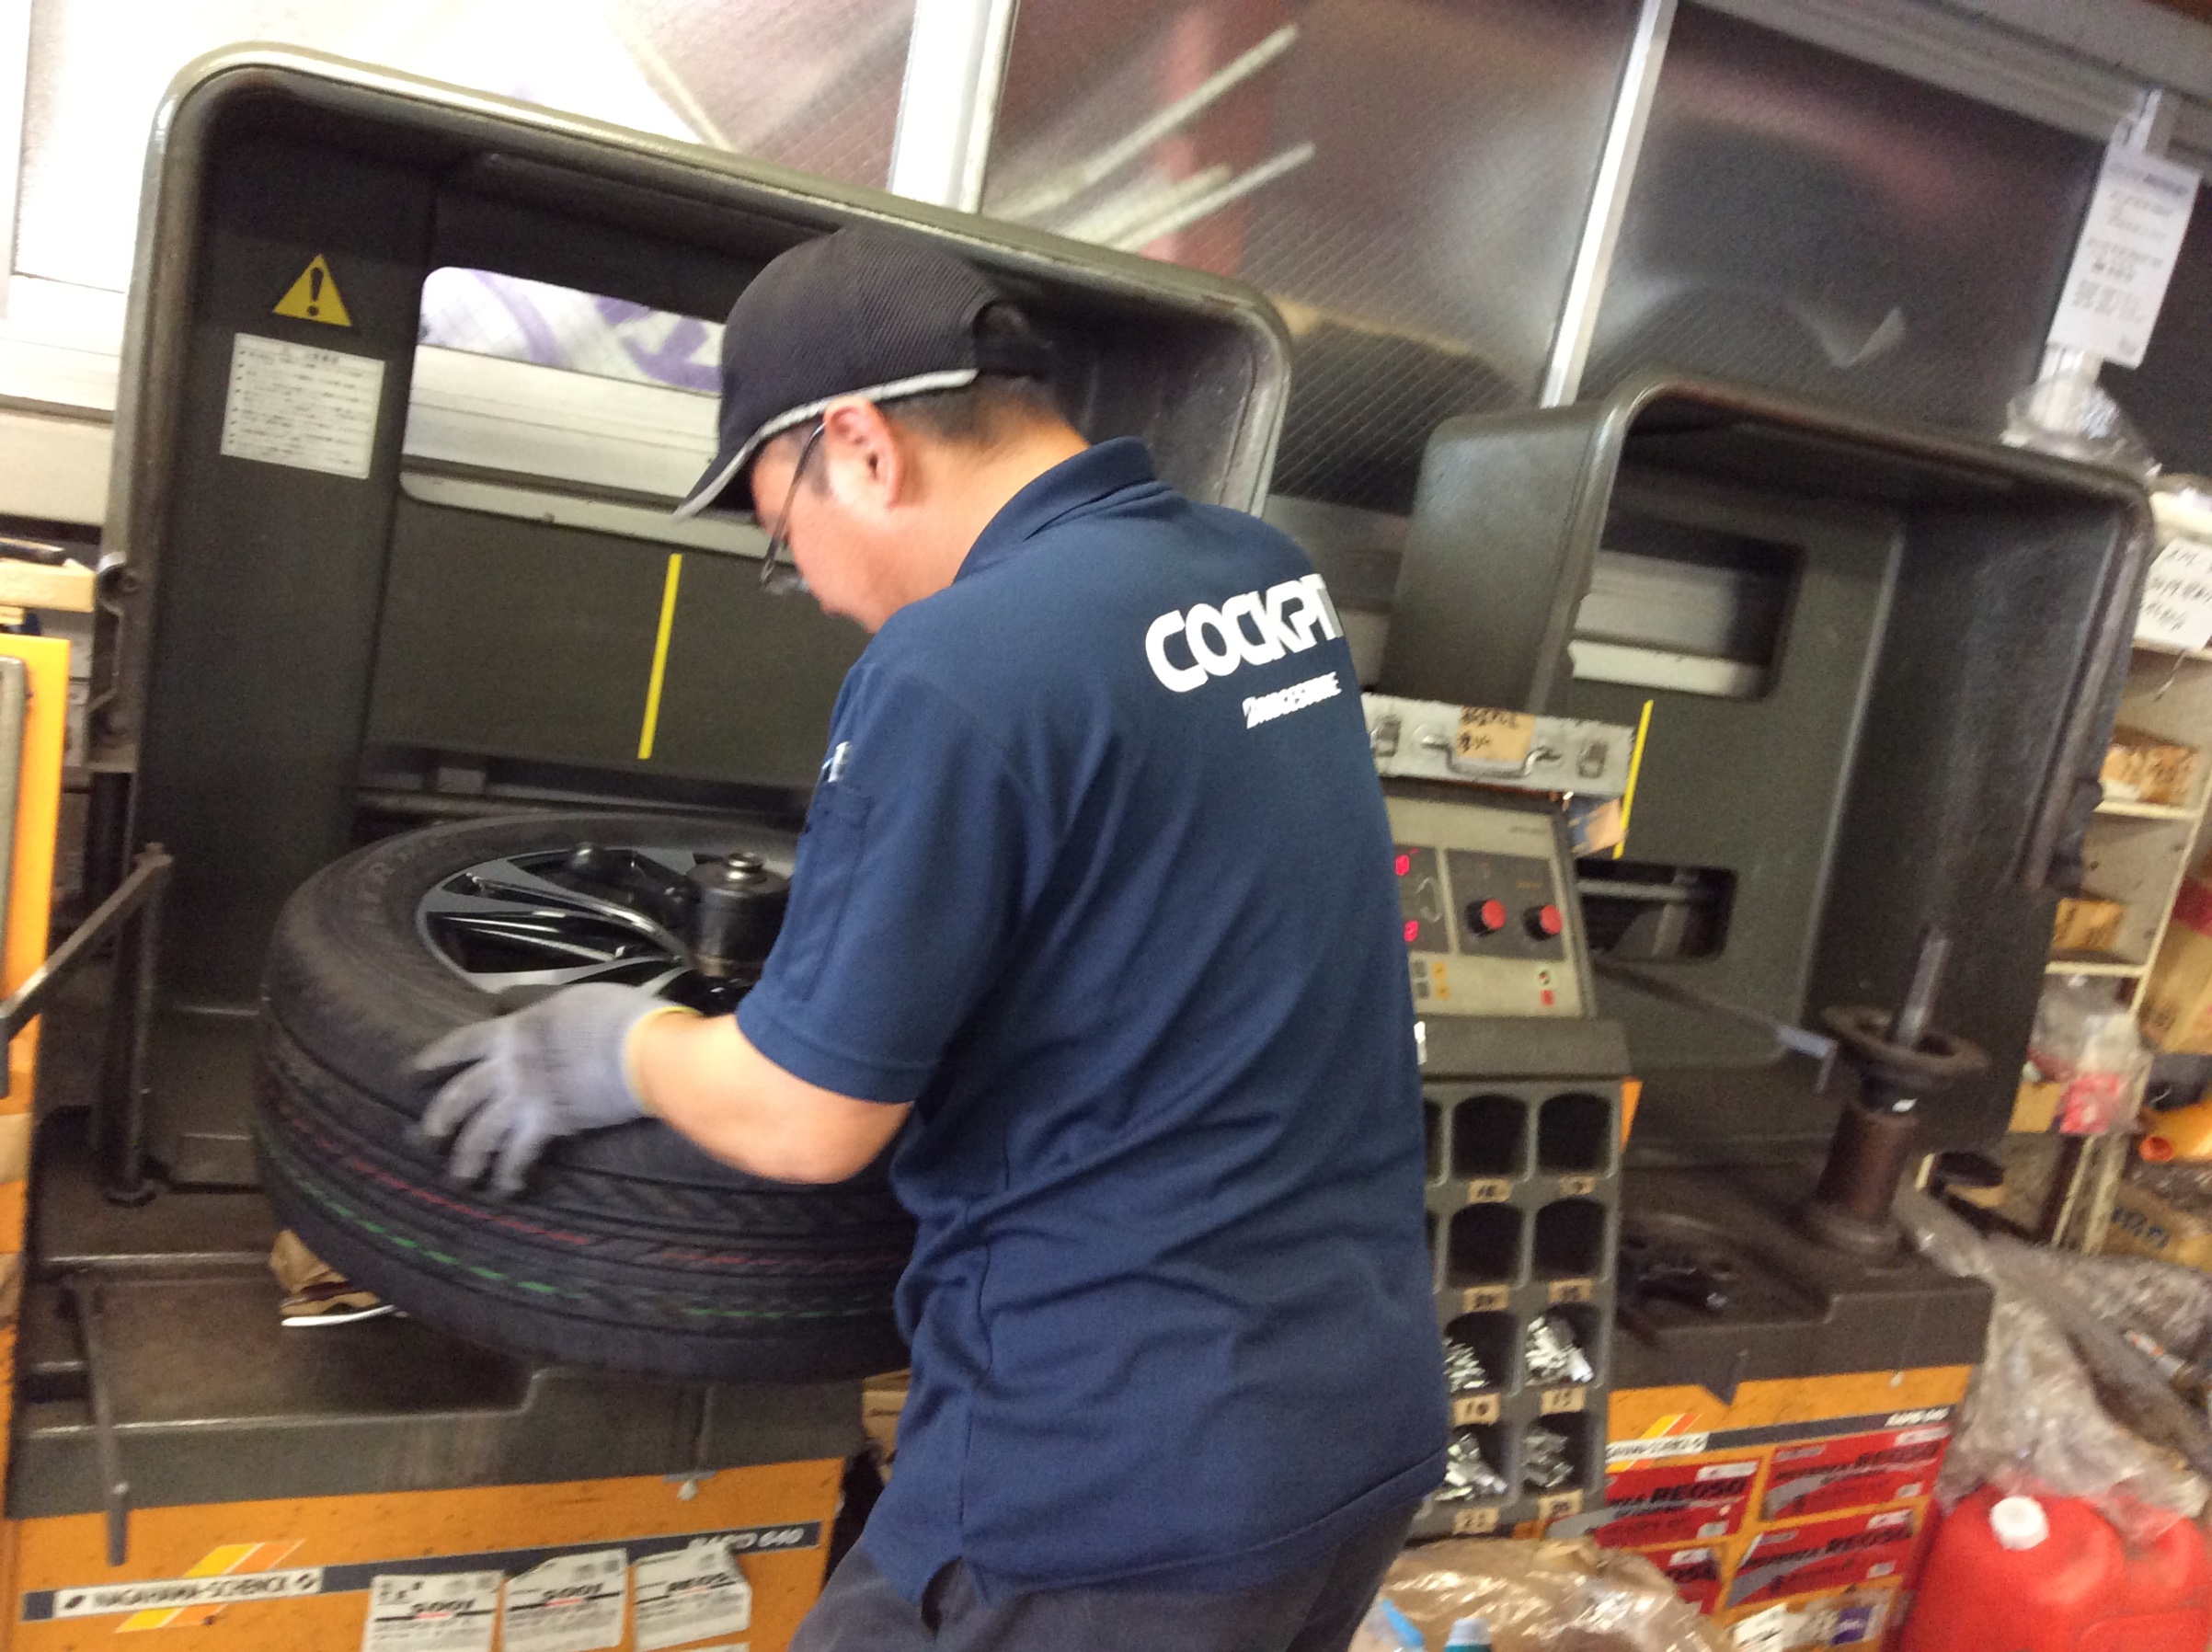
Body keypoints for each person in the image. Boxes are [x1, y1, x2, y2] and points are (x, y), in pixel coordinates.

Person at [416, 225, 1446, 1649]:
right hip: (1352, 1425)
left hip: (1109, 1481)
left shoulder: (956, 663)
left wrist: (615, 1047)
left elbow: (805, 1118)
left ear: (859, 446)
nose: (819, 589)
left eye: (783, 539)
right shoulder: (1255, 573)